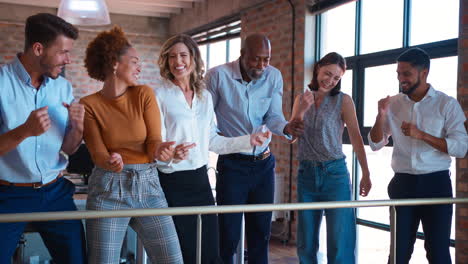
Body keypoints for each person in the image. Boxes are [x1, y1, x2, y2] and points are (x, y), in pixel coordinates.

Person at [155, 34, 271, 264]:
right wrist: (172, 156)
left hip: (201, 182)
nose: (178, 61)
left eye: (183, 55)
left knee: (209, 252)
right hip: (171, 183)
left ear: (194, 59)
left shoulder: (204, 97)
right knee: (182, 254)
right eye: (172, 56)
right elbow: (156, 144)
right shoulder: (158, 95)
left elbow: (213, 141)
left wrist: (249, 140)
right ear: (166, 61)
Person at [81, 26, 183, 264]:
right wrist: (111, 161)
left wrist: (163, 150)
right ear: (114, 63)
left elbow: (153, 143)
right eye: (134, 61)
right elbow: (97, 154)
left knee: (173, 260)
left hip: (148, 186)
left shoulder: (144, 94)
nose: (140, 68)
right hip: (107, 190)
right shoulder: (89, 104)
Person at [205, 33, 304, 264]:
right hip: (232, 165)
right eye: (255, 59)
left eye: (266, 59)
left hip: (263, 165)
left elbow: (273, 118)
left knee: (261, 234)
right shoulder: (217, 77)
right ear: (242, 55)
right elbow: (205, 120)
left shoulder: (273, 76)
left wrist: (288, 127)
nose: (261, 65)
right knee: (227, 235)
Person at [0, 13, 86, 263]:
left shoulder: (63, 87)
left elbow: (69, 149)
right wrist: (25, 131)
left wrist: (77, 129)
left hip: (55, 192)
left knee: (77, 259)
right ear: (38, 49)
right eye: (63, 52)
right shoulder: (2, 83)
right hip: (8, 196)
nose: (68, 60)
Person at [368, 48, 468, 264]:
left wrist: (421, 135)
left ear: (424, 73)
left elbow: (460, 148)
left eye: (406, 74)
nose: (401, 79)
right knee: (398, 253)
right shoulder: (393, 103)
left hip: (436, 184)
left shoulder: (446, 104)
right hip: (402, 184)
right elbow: (375, 143)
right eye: (398, 74)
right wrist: (380, 116)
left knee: (438, 253)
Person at [289, 52, 371, 264]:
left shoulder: (343, 101)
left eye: (336, 78)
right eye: (327, 73)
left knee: (340, 239)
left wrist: (366, 172)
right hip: (306, 174)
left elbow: (356, 137)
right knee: (306, 240)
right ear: (318, 69)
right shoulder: (301, 98)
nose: (330, 80)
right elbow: (291, 136)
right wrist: (301, 111)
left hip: (335, 175)